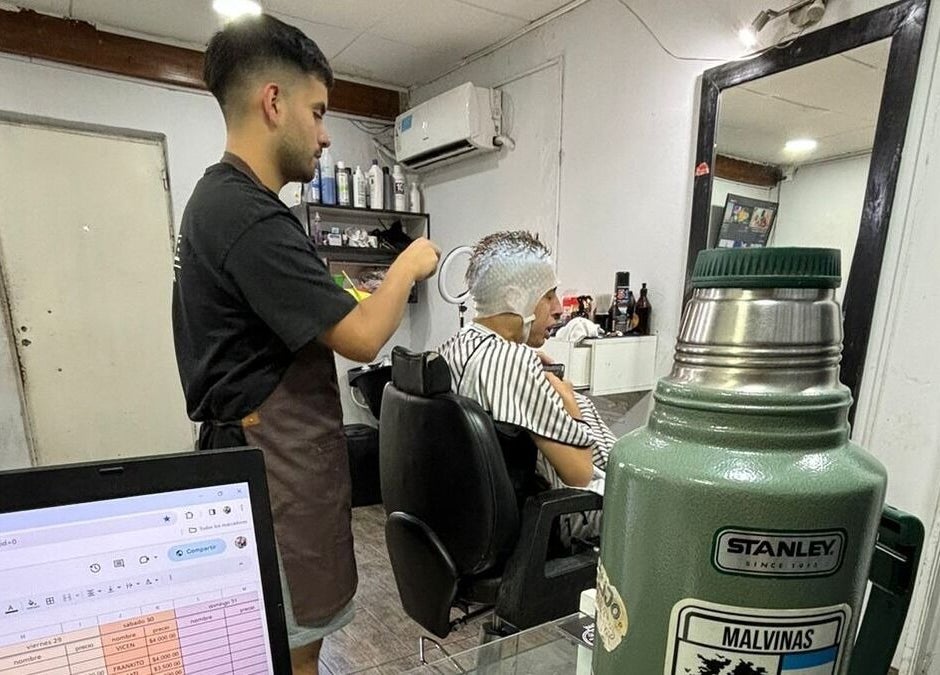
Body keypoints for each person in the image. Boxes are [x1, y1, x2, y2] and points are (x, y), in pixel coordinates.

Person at [171, 15, 440, 675]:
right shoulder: (248, 214)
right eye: (318, 112)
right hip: (271, 463)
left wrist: (343, 288)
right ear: (273, 101)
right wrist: (409, 262)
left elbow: (312, 315)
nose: (324, 134)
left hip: (264, 452)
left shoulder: (224, 203)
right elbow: (361, 336)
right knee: (291, 651)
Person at [437, 231, 613, 542]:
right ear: (517, 298)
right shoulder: (513, 361)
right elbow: (580, 473)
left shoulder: (453, 346)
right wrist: (569, 402)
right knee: (652, 503)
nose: (558, 309)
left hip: (469, 519)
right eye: (548, 295)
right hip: (546, 520)